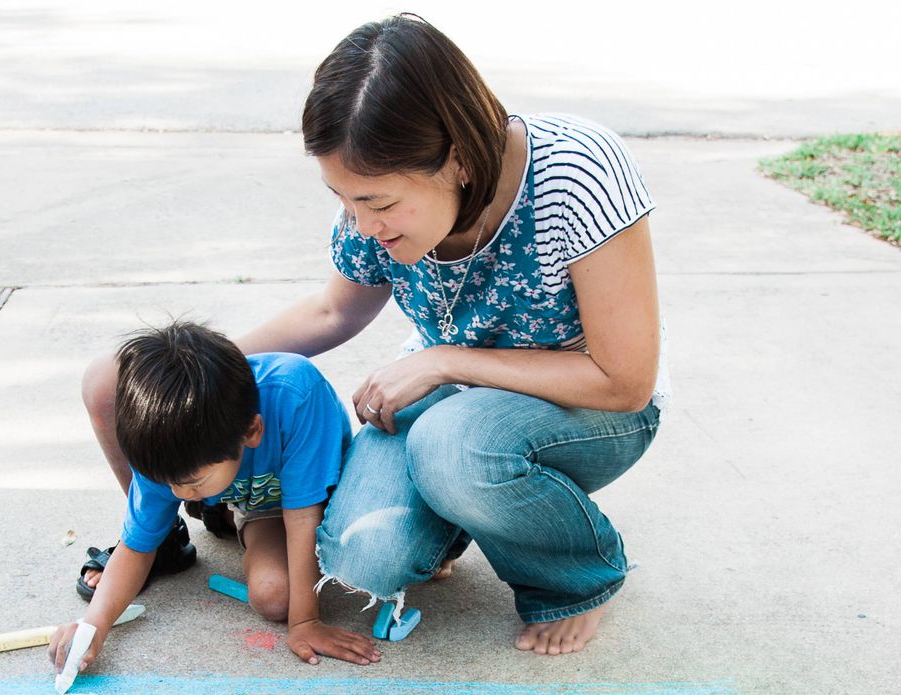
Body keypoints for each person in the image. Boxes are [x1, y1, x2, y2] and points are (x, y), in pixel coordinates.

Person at [82, 13, 667, 656]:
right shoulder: (371, 207)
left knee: (453, 448)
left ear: (459, 158)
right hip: (447, 394)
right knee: (361, 558)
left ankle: (575, 579)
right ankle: (464, 508)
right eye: (344, 199)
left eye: (380, 204)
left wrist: (446, 361)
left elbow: (625, 382)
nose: (361, 225)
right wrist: (188, 374)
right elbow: (334, 312)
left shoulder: (577, 172)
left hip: (586, 406)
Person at [57, 321, 381, 674]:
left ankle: (220, 508)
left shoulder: (295, 395)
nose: (179, 495)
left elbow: (304, 514)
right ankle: (221, 508)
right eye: (170, 484)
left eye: (192, 484)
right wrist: (93, 626)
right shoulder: (161, 449)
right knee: (274, 597)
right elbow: (136, 546)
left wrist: (305, 622)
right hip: (263, 504)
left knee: (350, 564)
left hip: (322, 495)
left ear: (252, 432)